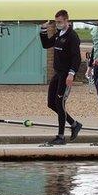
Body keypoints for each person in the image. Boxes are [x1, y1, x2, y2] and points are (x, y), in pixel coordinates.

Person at [40, 9, 83, 145]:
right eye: (56, 22)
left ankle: (61, 136)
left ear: (66, 21)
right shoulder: (59, 34)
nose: (57, 24)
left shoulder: (72, 36)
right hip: (58, 73)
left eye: (60, 22)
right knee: (51, 103)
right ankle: (74, 124)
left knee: (60, 103)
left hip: (66, 75)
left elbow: (77, 58)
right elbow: (46, 44)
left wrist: (71, 74)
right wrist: (43, 30)